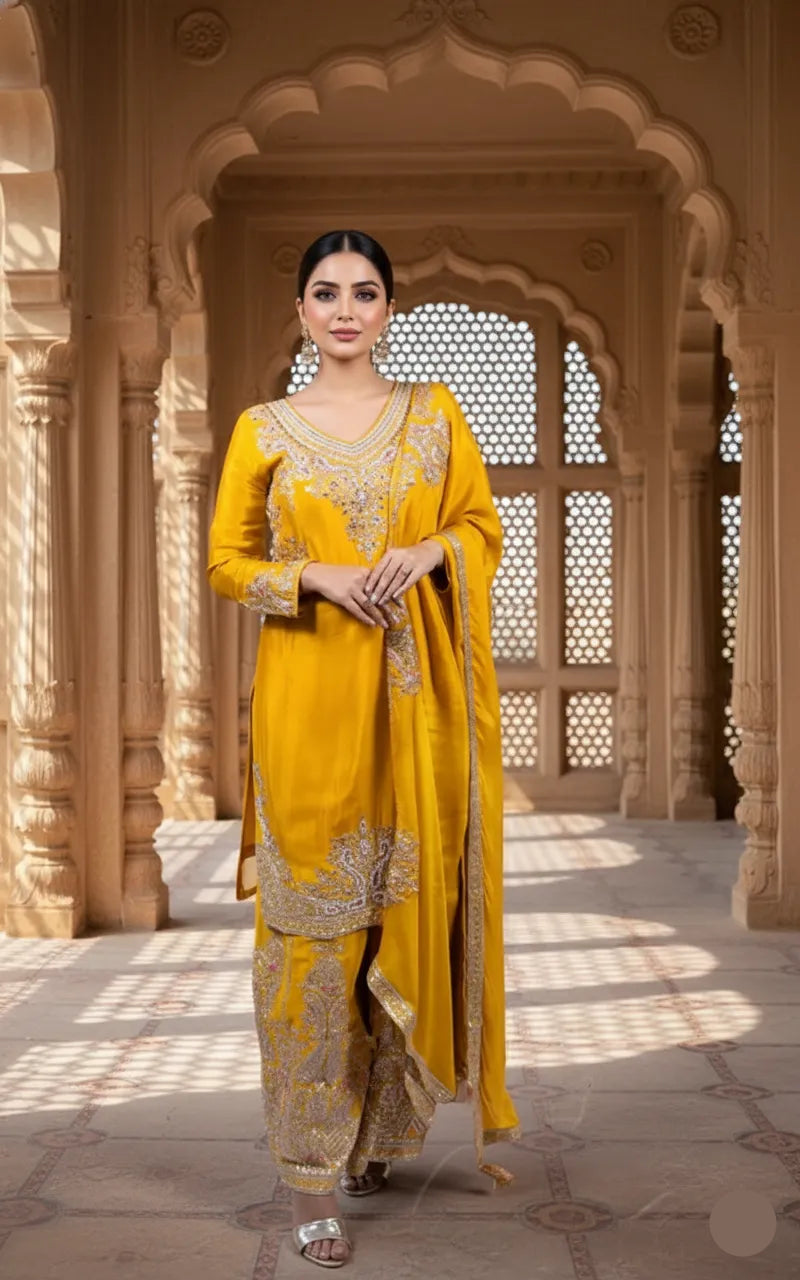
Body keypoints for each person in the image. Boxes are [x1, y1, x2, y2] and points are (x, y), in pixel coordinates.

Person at [207, 229, 520, 1269]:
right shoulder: (263, 428)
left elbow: (481, 528)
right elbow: (225, 561)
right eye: (326, 291)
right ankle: (310, 1181)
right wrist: (316, 577)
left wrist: (426, 550)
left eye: (366, 292)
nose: (346, 308)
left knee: (400, 922)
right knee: (310, 949)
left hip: (415, 715)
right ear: (301, 309)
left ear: (388, 309)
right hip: (306, 711)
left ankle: (375, 1139)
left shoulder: (434, 414)